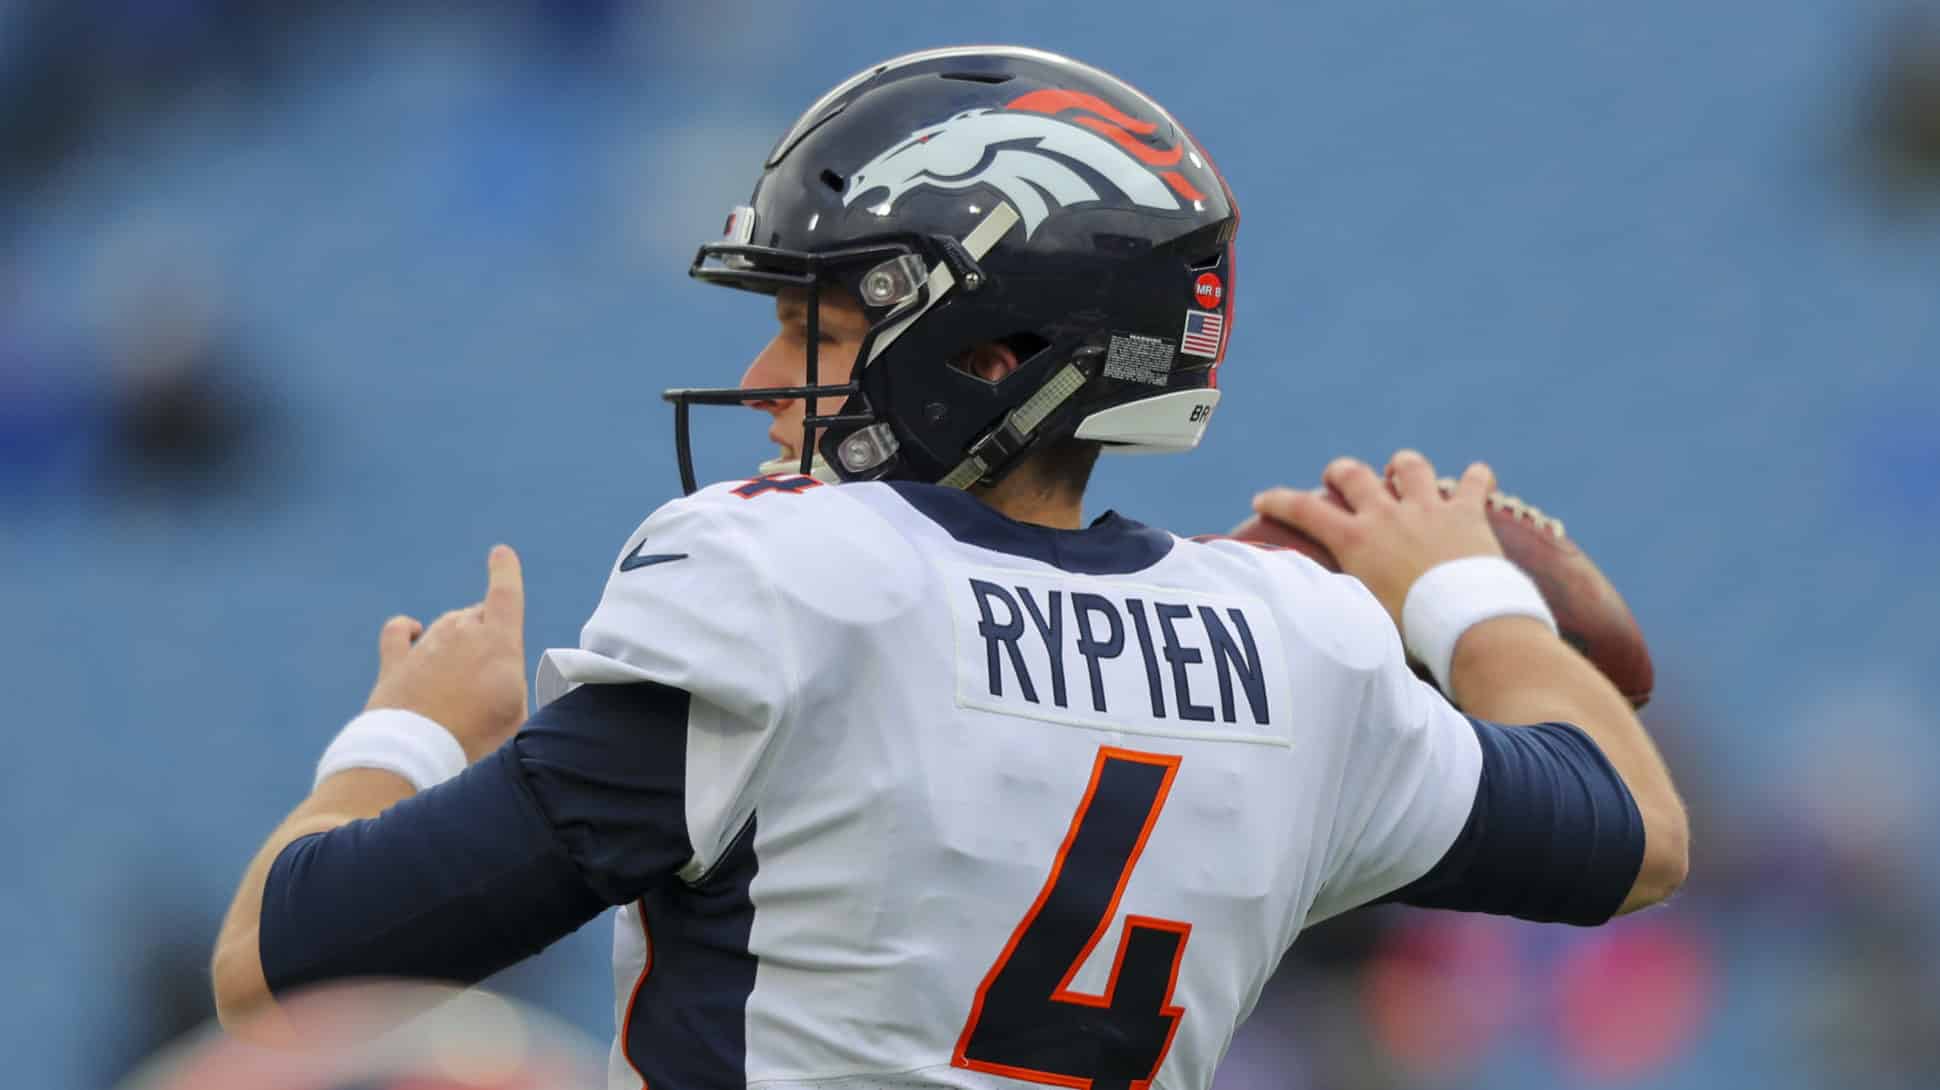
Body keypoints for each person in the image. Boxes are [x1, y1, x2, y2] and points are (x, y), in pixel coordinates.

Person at [212, 46, 1687, 1090]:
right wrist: (1459, 585)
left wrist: (404, 732)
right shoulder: (1304, 644)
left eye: (821, 328)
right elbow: (1636, 826)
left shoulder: (786, 587)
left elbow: (280, 974)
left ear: (994, 359)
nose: (760, 369)